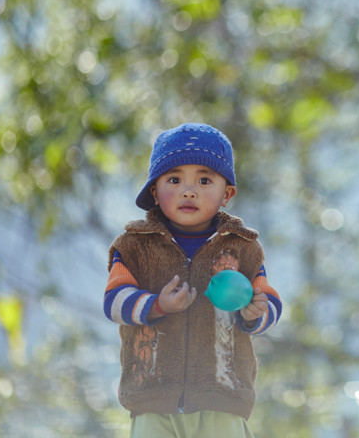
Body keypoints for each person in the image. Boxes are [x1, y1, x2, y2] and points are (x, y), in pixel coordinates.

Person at [104, 123, 282, 438]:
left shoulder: (244, 248)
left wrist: (255, 313)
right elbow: (114, 301)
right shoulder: (134, 247)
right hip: (151, 400)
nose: (189, 190)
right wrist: (156, 304)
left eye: (204, 180)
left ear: (226, 194)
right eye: (175, 179)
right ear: (154, 192)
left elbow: (269, 300)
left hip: (222, 400)